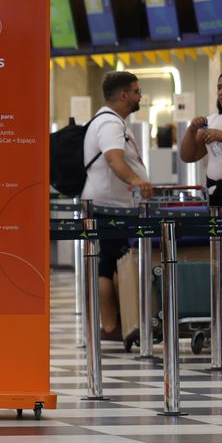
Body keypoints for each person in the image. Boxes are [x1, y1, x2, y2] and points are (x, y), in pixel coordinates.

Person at [81, 71, 153, 342]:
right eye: (136, 92)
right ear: (123, 95)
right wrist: (136, 180)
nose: (139, 96)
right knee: (116, 264)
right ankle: (119, 325)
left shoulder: (109, 121)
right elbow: (113, 158)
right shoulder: (110, 123)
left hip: (108, 204)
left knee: (109, 263)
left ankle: (112, 326)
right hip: (110, 207)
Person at [180, 71, 222, 210]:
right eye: (219, 88)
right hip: (215, 193)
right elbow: (188, 156)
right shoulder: (211, 121)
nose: (221, 92)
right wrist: (192, 129)